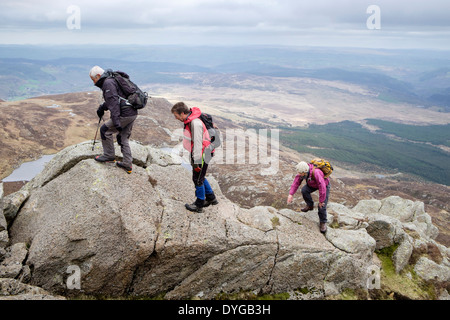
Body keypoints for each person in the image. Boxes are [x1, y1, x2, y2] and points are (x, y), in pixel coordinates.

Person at [171, 102, 218, 213]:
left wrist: (197, 161)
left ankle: (199, 204)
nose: (176, 118)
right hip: (202, 152)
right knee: (200, 176)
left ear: (182, 113)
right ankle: (211, 198)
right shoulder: (191, 120)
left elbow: (198, 143)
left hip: (202, 153)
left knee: (197, 179)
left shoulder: (195, 123)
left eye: (176, 116)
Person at [89, 66, 137, 174]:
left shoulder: (107, 83)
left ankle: (109, 156)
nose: (93, 82)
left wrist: (116, 121)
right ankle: (127, 164)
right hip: (132, 112)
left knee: (105, 130)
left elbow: (114, 103)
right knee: (123, 137)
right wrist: (102, 107)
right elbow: (116, 98)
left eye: (93, 79)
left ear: (98, 76)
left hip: (124, 114)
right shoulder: (112, 79)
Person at [287, 161, 330, 233]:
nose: (299, 174)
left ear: (305, 172)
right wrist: (291, 194)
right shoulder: (302, 173)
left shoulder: (316, 173)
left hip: (324, 185)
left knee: (322, 205)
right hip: (312, 184)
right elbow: (296, 183)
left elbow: (322, 187)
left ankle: (323, 222)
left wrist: (321, 201)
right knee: (304, 190)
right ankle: (310, 206)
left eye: (300, 173)